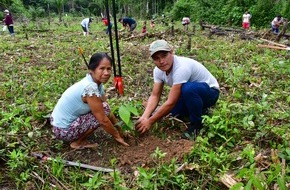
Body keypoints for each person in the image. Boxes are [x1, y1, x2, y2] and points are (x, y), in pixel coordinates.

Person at [135, 40, 220, 139]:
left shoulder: (181, 67)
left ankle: (196, 125)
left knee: (188, 89)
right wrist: (145, 116)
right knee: (175, 112)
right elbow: (155, 95)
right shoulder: (158, 71)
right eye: (157, 58)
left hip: (210, 92)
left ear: (172, 52)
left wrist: (150, 121)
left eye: (164, 55)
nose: (161, 61)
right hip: (189, 95)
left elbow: (171, 101)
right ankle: (200, 110)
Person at [50, 53, 129, 149]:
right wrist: (117, 136)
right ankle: (77, 143)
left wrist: (119, 128)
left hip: (58, 125)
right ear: (92, 70)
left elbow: (106, 107)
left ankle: (79, 135)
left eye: (108, 69)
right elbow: (103, 120)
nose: (106, 73)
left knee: (104, 108)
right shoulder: (90, 88)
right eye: (102, 68)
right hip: (63, 130)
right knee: (102, 112)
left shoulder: (96, 83)